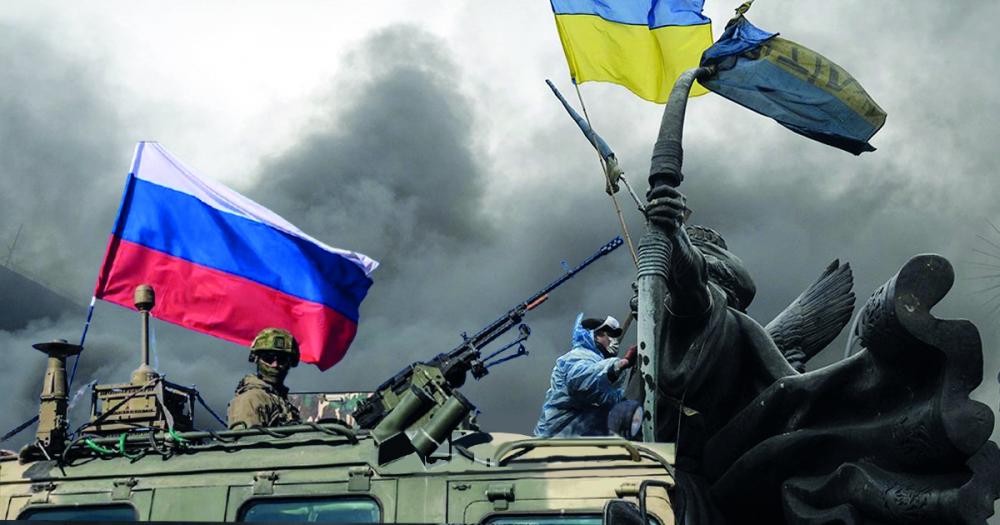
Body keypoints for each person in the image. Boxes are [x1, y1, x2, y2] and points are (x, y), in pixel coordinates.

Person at [533, 314, 637, 437]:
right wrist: (622, 363)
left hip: (578, 439)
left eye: (614, 336)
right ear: (593, 335)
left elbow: (608, 399)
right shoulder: (578, 356)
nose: (612, 340)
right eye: (608, 335)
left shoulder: (596, 361)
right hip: (557, 439)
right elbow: (581, 382)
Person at [227, 328, 303, 429]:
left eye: (282, 359)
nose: (275, 365)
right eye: (268, 358)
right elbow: (246, 438)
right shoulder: (251, 399)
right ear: (256, 358)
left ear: (291, 363)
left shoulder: (282, 401)